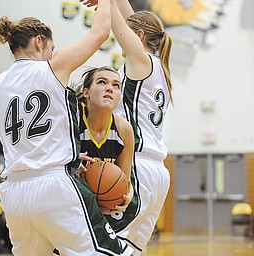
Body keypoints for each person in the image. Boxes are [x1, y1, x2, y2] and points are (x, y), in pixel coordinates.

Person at [0, 0, 133, 255]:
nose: (52, 53)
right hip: (52, 185)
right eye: (51, 48)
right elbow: (101, 32)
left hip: (14, 194)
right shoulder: (52, 68)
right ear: (39, 42)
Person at [81, 0, 172, 254]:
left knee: (100, 242)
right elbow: (132, 20)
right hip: (158, 174)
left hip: (138, 167)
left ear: (139, 36)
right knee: (130, 249)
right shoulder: (159, 67)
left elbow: (120, 26)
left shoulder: (141, 62)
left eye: (130, 36)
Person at [76, 66, 140, 231]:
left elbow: (124, 179)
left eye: (116, 85)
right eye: (102, 82)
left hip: (101, 209)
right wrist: (72, 161)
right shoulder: (73, 119)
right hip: (70, 200)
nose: (109, 88)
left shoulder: (124, 129)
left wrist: (126, 196)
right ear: (87, 93)